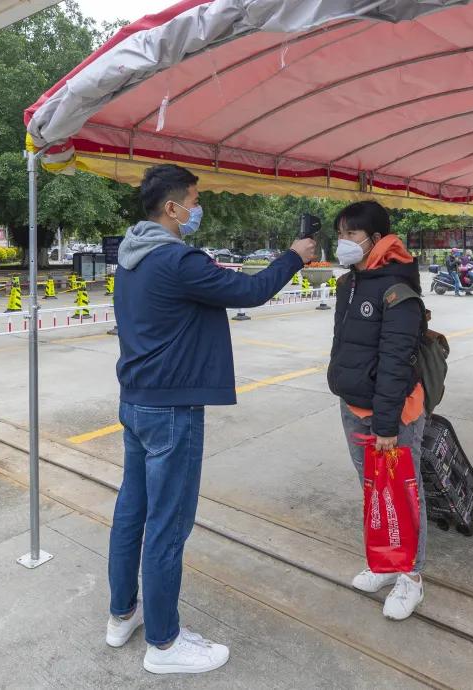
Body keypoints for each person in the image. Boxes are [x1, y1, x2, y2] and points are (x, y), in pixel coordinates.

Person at [106, 164, 318, 675]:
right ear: (173, 208)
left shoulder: (130, 257)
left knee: (132, 513)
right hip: (171, 408)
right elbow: (248, 292)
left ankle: (122, 615)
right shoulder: (176, 260)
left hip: (136, 401)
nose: (198, 209)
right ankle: (164, 643)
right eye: (195, 200)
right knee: (167, 525)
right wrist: (295, 255)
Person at [328, 200, 428, 621]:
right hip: (353, 407)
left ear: (374, 237)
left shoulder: (397, 288)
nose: (343, 242)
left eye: (351, 234)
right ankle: (385, 564)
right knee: (374, 490)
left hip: (392, 415)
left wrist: (386, 423)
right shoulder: (351, 282)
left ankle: (412, 576)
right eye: (341, 234)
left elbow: (395, 360)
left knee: (404, 494)